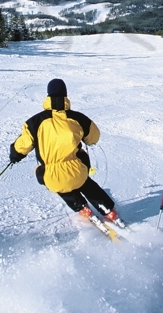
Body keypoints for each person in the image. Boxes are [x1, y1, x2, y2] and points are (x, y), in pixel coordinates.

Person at [10, 79, 125, 232]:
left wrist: (15, 156)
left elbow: (20, 147)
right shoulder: (77, 118)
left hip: (52, 177)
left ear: (48, 96)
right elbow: (94, 137)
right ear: (65, 96)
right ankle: (108, 210)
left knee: (50, 177)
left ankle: (82, 208)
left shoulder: (34, 122)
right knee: (83, 180)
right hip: (78, 172)